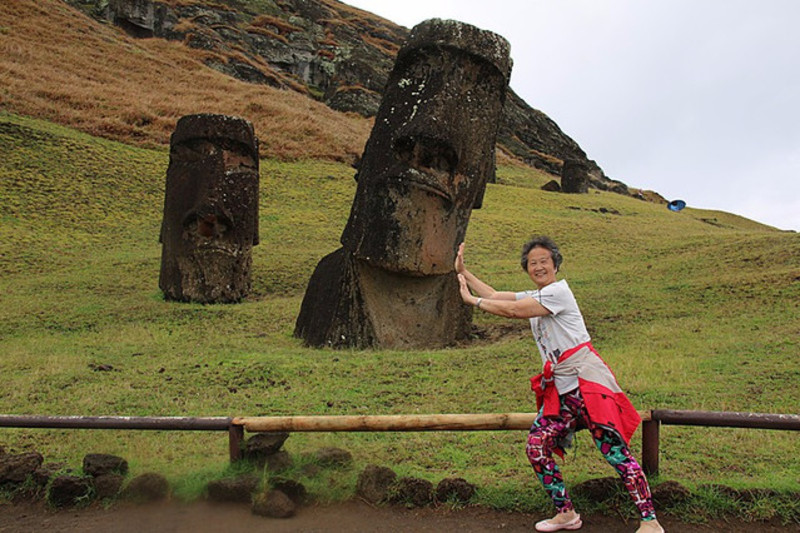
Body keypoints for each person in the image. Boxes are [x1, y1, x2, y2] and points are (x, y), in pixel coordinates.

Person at [455, 237, 663, 533]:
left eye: (544, 261)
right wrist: (465, 272)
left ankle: (649, 520)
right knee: (536, 446)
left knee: (614, 452)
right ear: (526, 268)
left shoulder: (558, 292)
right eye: (532, 263)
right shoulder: (538, 295)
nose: (538, 267)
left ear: (555, 264)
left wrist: (471, 301)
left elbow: (512, 311)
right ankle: (565, 512)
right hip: (561, 393)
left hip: (587, 385)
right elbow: (498, 295)